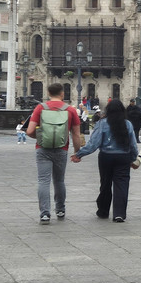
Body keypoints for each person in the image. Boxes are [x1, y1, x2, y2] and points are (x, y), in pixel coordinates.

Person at [25, 83, 84, 224]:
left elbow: (29, 131)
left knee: (43, 181)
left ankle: (45, 214)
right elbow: (76, 134)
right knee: (59, 180)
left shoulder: (40, 108)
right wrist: (77, 153)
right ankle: (60, 209)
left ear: (48, 93)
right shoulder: (70, 110)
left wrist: (40, 138)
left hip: (42, 148)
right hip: (61, 149)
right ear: (62, 94)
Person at [72, 99, 138, 223]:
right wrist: (135, 159)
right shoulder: (127, 124)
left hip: (106, 157)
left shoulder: (102, 123)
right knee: (122, 185)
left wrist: (79, 154)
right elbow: (133, 145)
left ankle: (103, 210)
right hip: (123, 157)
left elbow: (94, 143)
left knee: (105, 183)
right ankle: (119, 214)